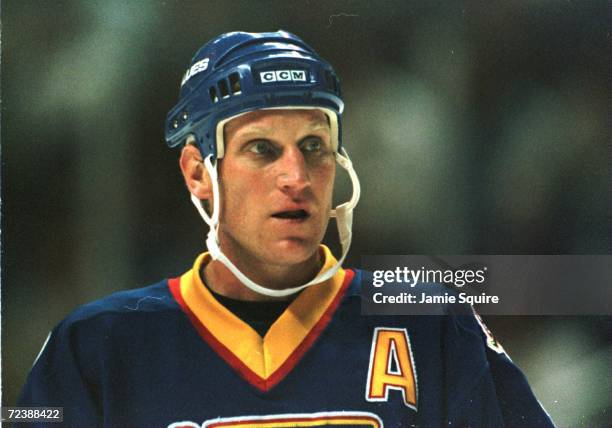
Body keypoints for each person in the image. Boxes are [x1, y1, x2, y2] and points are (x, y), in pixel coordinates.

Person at [19, 31, 555, 427]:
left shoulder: (430, 322)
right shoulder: (96, 345)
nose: (296, 177)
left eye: (314, 147)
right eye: (262, 149)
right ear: (198, 173)